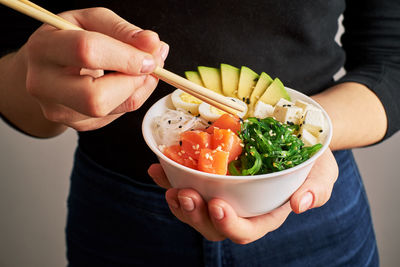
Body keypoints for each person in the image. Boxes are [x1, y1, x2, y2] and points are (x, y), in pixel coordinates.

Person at [1, 0, 399, 266]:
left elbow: (392, 63)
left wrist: (304, 140)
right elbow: (14, 86)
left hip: (313, 199)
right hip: (120, 215)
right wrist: (45, 84)